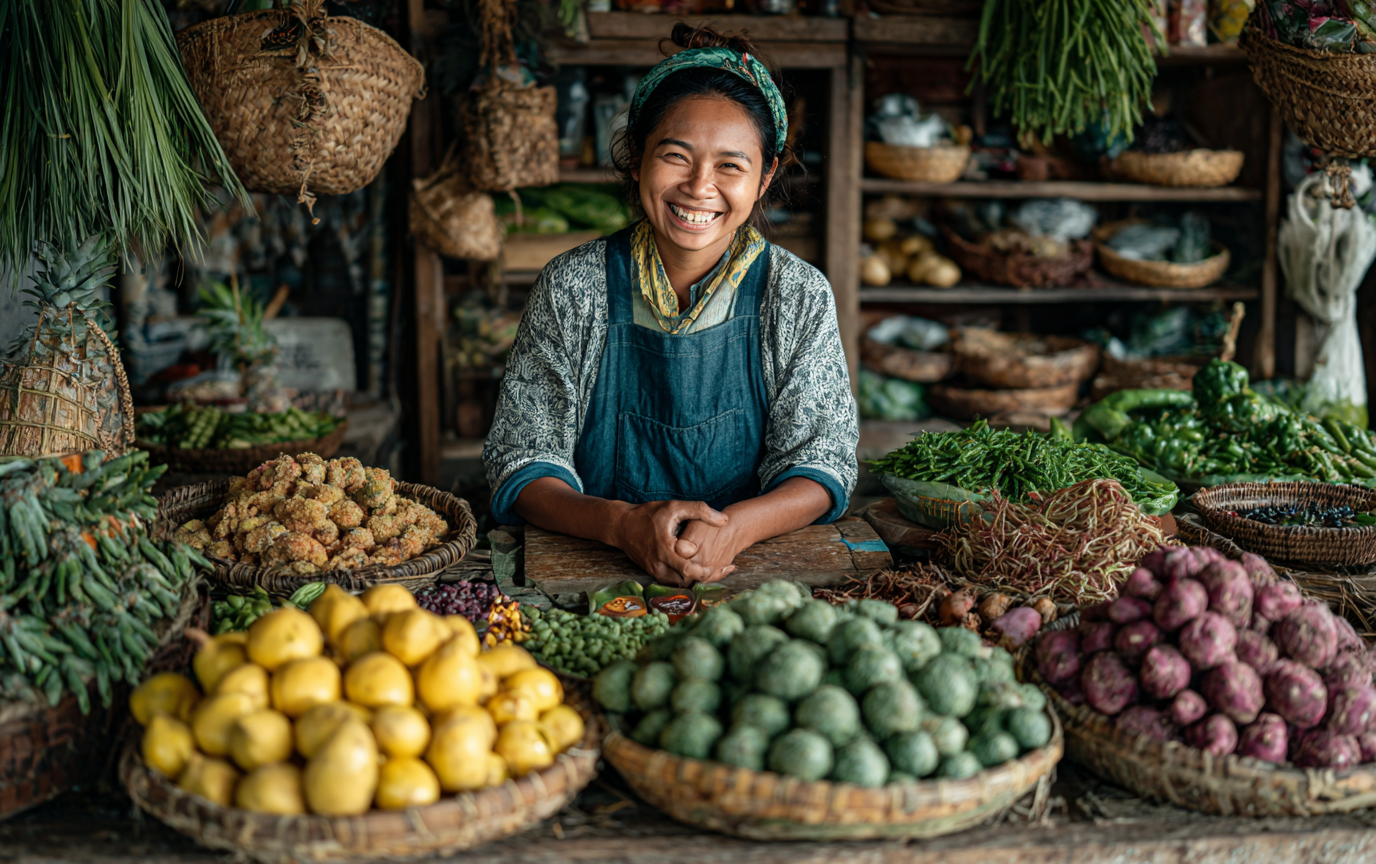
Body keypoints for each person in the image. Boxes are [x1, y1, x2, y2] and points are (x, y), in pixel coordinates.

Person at [482, 24, 858, 586]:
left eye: (731, 165)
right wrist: (624, 525)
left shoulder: (796, 294)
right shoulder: (573, 285)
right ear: (636, 158)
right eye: (676, 156)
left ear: (765, 177)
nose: (700, 186)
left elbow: (824, 462)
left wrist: (735, 528)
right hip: (596, 571)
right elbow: (521, 461)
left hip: (750, 576)